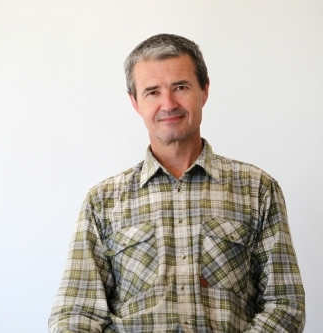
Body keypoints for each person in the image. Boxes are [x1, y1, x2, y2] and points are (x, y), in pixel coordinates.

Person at [48, 34, 305, 333]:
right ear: (135, 102)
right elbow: (75, 315)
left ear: (204, 90)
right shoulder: (102, 201)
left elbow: (285, 306)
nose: (168, 104)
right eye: (152, 92)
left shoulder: (257, 189)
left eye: (180, 87)